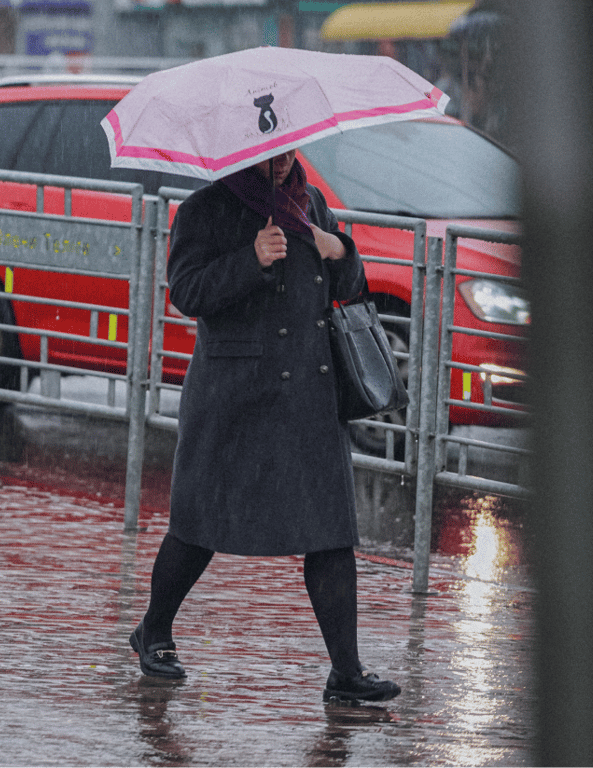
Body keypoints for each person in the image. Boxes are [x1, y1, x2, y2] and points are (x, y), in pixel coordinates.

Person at [128, 148, 402, 704]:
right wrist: (250, 261)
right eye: (267, 156)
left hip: (308, 389)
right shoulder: (204, 209)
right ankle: (153, 630)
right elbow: (187, 292)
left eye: (286, 153)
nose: (279, 164)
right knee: (199, 523)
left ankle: (346, 673)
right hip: (234, 395)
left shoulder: (312, 204)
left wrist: (338, 247)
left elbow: (350, 283)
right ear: (243, 152)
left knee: (330, 532)